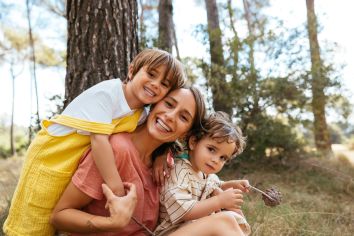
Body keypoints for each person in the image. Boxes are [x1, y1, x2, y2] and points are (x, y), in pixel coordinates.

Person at [3, 48, 186, 236]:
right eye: (151, 74)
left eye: (164, 84)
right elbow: (99, 143)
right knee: (35, 214)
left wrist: (162, 155)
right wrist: (117, 192)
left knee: (53, 217)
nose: (155, 84)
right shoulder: (107, 94)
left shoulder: (141, 115)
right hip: (52, 156)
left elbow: (153, 136)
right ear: (132, 71)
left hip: (73, 161)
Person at [50, 87, 207, 235]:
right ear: (154, 104)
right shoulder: (115, 150)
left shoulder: (166, 163)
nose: (170, 116)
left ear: (186, 134)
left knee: (229, 217)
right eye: (169, 104)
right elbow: (59, 216)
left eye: (183, 117)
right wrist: (111, 223)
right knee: (224, 222)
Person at [155, 111, 251, 236]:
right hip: (171, 232)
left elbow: (214, 185)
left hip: (195, 230)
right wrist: (219, 201)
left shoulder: (205, 174)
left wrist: (232, 184)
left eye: (223, 158)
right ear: (193, 142)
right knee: (224, 220)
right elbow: (185, 211)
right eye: (211, 149)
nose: (216, 160)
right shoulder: (178, 172)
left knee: (232, 218)